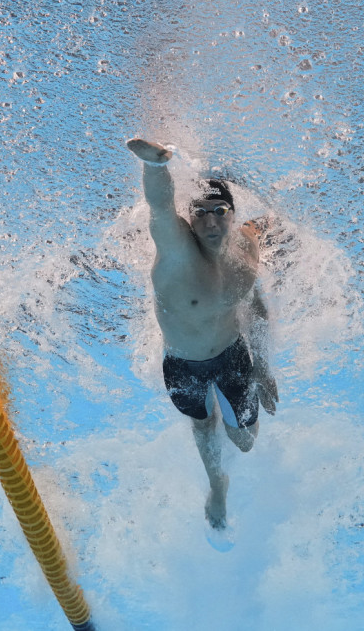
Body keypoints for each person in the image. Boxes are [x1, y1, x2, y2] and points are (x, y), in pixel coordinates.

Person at [126, 138, 279, 530]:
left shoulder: (244, 249)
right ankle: (217, 485)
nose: (211, 221)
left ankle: (231, 436)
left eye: (219, 211)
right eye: (200, 213)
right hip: (183, 365)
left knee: (245, 442)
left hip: (232, 355)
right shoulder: (176, 250)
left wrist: (263, 368)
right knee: (202, 423)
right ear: (189, 220)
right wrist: (156, 167)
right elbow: (160, 207)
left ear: (231, 215)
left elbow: (256, 305)